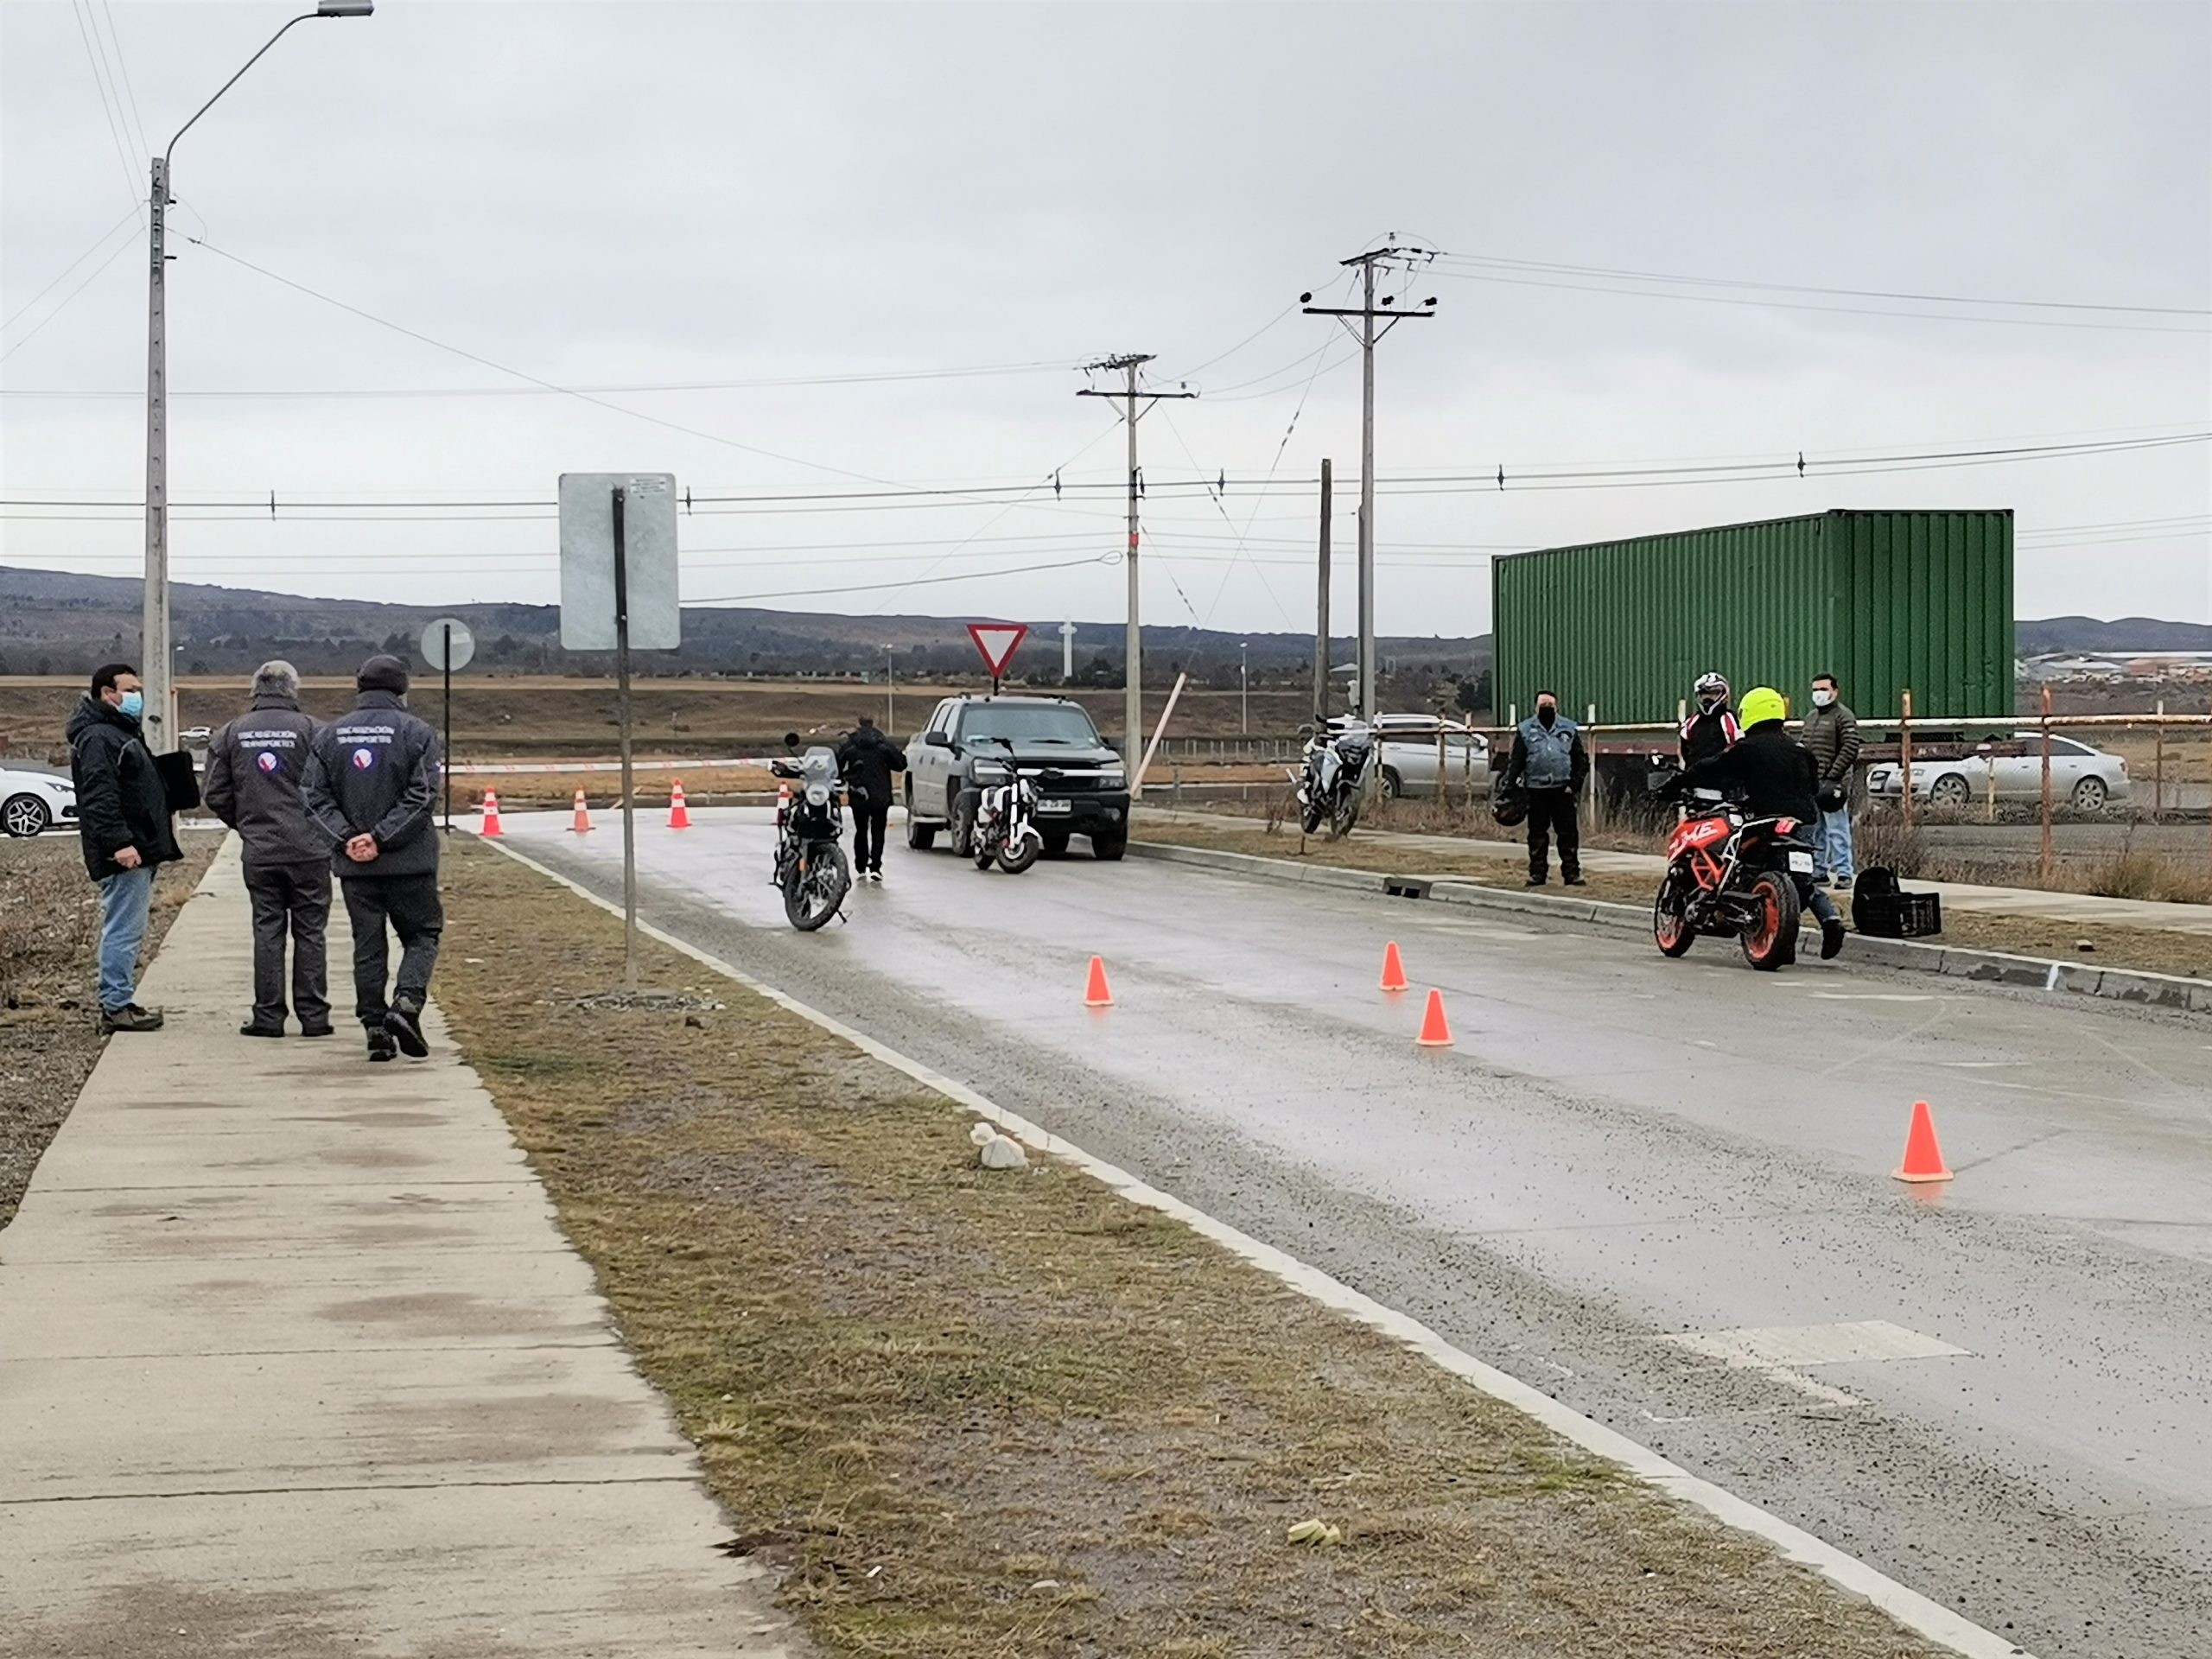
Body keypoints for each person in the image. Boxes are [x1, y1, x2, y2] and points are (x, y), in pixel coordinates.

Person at [302, 655, 443, 1064]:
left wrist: (349, 839)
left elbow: (313, 797)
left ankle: (376, 1029)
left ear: (359, 686)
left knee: (368, 944)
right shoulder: (418, 732)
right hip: (410, 863)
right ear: (403, 688)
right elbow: (422, 796)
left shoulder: (330, 736)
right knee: (422, 935)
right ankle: (406, 1004)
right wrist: (381, 838)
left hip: (356, 868)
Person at [204, 660, 332, 1039]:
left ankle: (268, 1016)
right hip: (310, 850)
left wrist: (246, 825)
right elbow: (335, 789)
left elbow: (214, 793)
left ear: (254, 690)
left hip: (261, 851)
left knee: (267, 930)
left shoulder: (231, 733)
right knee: (311, 931)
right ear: (293, 689)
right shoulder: (314, 731)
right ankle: (314, 1017)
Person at [1672, 685, 1847, 958]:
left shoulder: (1747, 749)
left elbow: (1713, 767)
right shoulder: (1802, 751)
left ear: (1749, 713)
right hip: (1802, 821)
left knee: (1741, 865)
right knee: (1803, 880)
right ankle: (1830, 920)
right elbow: (1813, 786)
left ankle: (1731, 905)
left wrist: (1681, 779)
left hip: (1762, 819)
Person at [67, 663, 183, 1033]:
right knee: (123, 929)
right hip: (126, 853)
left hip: (140, 847)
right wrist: (120, 843)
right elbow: (100, 797)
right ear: (107, 693)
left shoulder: (117, 732)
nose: (136, 696)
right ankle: (116, 1005)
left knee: (129, 928)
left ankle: (120, 1001)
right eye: (130, 689)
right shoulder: (99, 738)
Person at [1503, 691, 1588, 887]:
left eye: (1550, 704)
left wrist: (1573, 785)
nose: (1547, 708)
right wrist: (1510, 787)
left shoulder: (1569, 728)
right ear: (1535, 707)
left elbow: (1580, 760)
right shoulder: (1525, 730)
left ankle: (1572, 874)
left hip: (1562, 790)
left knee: (1568, 835)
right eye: (1543, 704)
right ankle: (1537, 874)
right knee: (1537, 835)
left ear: (1557, 707)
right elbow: (1516, 761)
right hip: (1535, 790)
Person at [1802, 671, 1861, 890]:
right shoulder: (1810, 718)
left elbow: (1850, 747)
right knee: (1817, 829)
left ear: (1835, 691)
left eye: (1824, 689)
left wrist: (1834, 775)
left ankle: (1844, 872)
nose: (1819, 694)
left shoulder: (1843, 716)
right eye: (1815, 690)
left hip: (1834, 784)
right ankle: (1819, 871)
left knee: (1838, 828)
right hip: (1813, 783)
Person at [836, 713, 906, 882]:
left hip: (859, 793)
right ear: (873, 723)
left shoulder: (851, 745)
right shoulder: (883, 744)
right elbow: (901, 764)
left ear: (858, 724)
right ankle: (875, 866)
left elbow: (837, 765)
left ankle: (860, 866)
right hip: (881, 795)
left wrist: (846, 778)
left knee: (860, 830)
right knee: (878, 831)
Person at [1679, 671, 1741, 768]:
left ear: (1724, 694)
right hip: (1695, 776)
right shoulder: (1691, 722)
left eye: (1713, 693)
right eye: (1704, 694)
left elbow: (1740, 747)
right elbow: (1685, 750)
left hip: (1723, 776)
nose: (1708, 698)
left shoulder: (1730, 719)